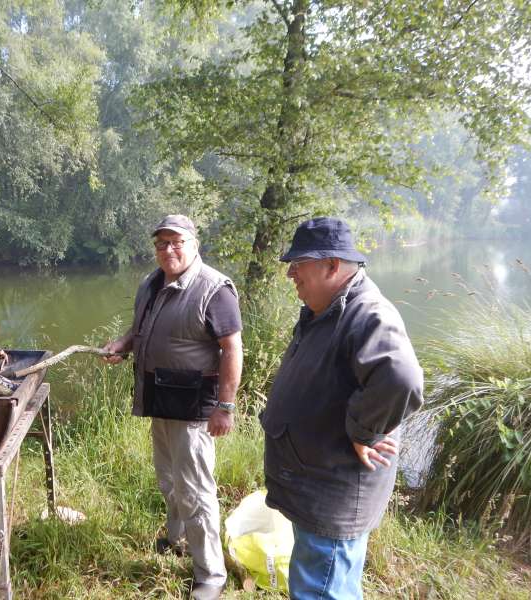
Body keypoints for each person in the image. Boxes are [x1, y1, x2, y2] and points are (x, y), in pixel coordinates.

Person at [260, 217, 424, 600]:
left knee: (323, 588)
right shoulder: (330, 307)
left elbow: (401, 378)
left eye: (298, 264)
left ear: (332, 265)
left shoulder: (367, 314)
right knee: (326, 582)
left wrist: (364, 430)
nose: (290, 274)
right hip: (315, 485)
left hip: (332, 492)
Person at [103, 214, 243, 600]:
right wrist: (123, 344)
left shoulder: (215, 289)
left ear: (194, 243)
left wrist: (225, 406)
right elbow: (141, 328)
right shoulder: (151, 282)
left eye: (176, 242)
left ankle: (210, 574)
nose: (168, 250)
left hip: (194, 408)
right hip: (160, 401)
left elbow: (232, 349)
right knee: (168, 480)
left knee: (197, 491)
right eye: (161, 243)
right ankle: (176, 538)